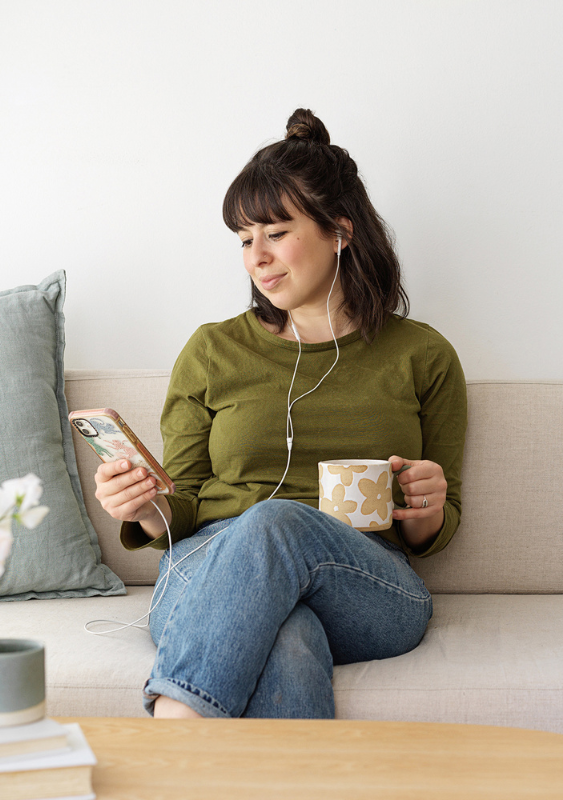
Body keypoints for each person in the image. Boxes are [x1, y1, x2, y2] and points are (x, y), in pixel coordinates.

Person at [92, 108, 467, 720]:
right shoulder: (212, 351)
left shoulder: (423, 356)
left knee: (276, 521)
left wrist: (426, 508)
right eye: (245, 240)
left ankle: (174, 733)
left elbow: (439, 526)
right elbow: (184, 503)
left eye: (276, 232)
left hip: (364, 579)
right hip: (208, 564)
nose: (256, 258)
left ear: (339, 231)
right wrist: (143, 505)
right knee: (288, 635)